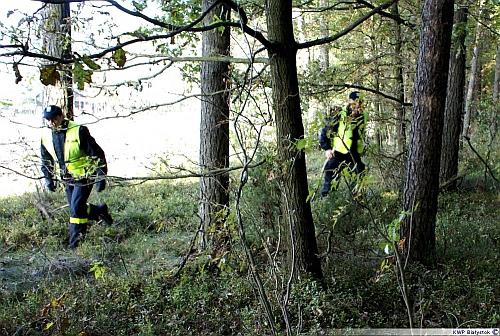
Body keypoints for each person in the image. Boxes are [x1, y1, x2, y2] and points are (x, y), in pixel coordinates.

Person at [40, 105, 113, 250]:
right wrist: (49, 179)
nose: (51, 123)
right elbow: (46, 160)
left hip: (84, 175)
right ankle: (99, 210)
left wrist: (100, 175)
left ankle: (75, 245)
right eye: (47, 120)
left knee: (75, 210)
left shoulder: (78, 130)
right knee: (78, 208)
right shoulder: (46, 135)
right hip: (67, 178)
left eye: (53, 119)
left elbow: (97, 153)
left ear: (61, 116)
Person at [319, 91, 368, 197]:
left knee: (359, 172)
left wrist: (360, 151)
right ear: (349, 101)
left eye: (360, 102)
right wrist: (327, 149)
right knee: (331, 171)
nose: (357, 105)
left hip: (353, 153)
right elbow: (325, 132)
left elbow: (361, 134)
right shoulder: (339, 114)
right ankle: (328, 196)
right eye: (355, 102)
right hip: (338, 152)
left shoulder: (363, 115)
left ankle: (356, 199)